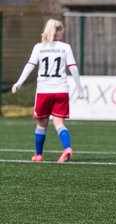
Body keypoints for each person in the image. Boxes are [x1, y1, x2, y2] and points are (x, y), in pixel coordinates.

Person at [12, 18, 84, 163]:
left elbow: (30, 65)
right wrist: (80, 88)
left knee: (41, 125)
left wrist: (19, 82)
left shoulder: (39, 47)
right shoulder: (65, 47)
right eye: (61, 30)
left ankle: (38, 155)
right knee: (59, 124)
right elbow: (73, 68)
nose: (62, 33)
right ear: (58, 31)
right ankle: (67, 148)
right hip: (61, 90)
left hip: (44, 91)